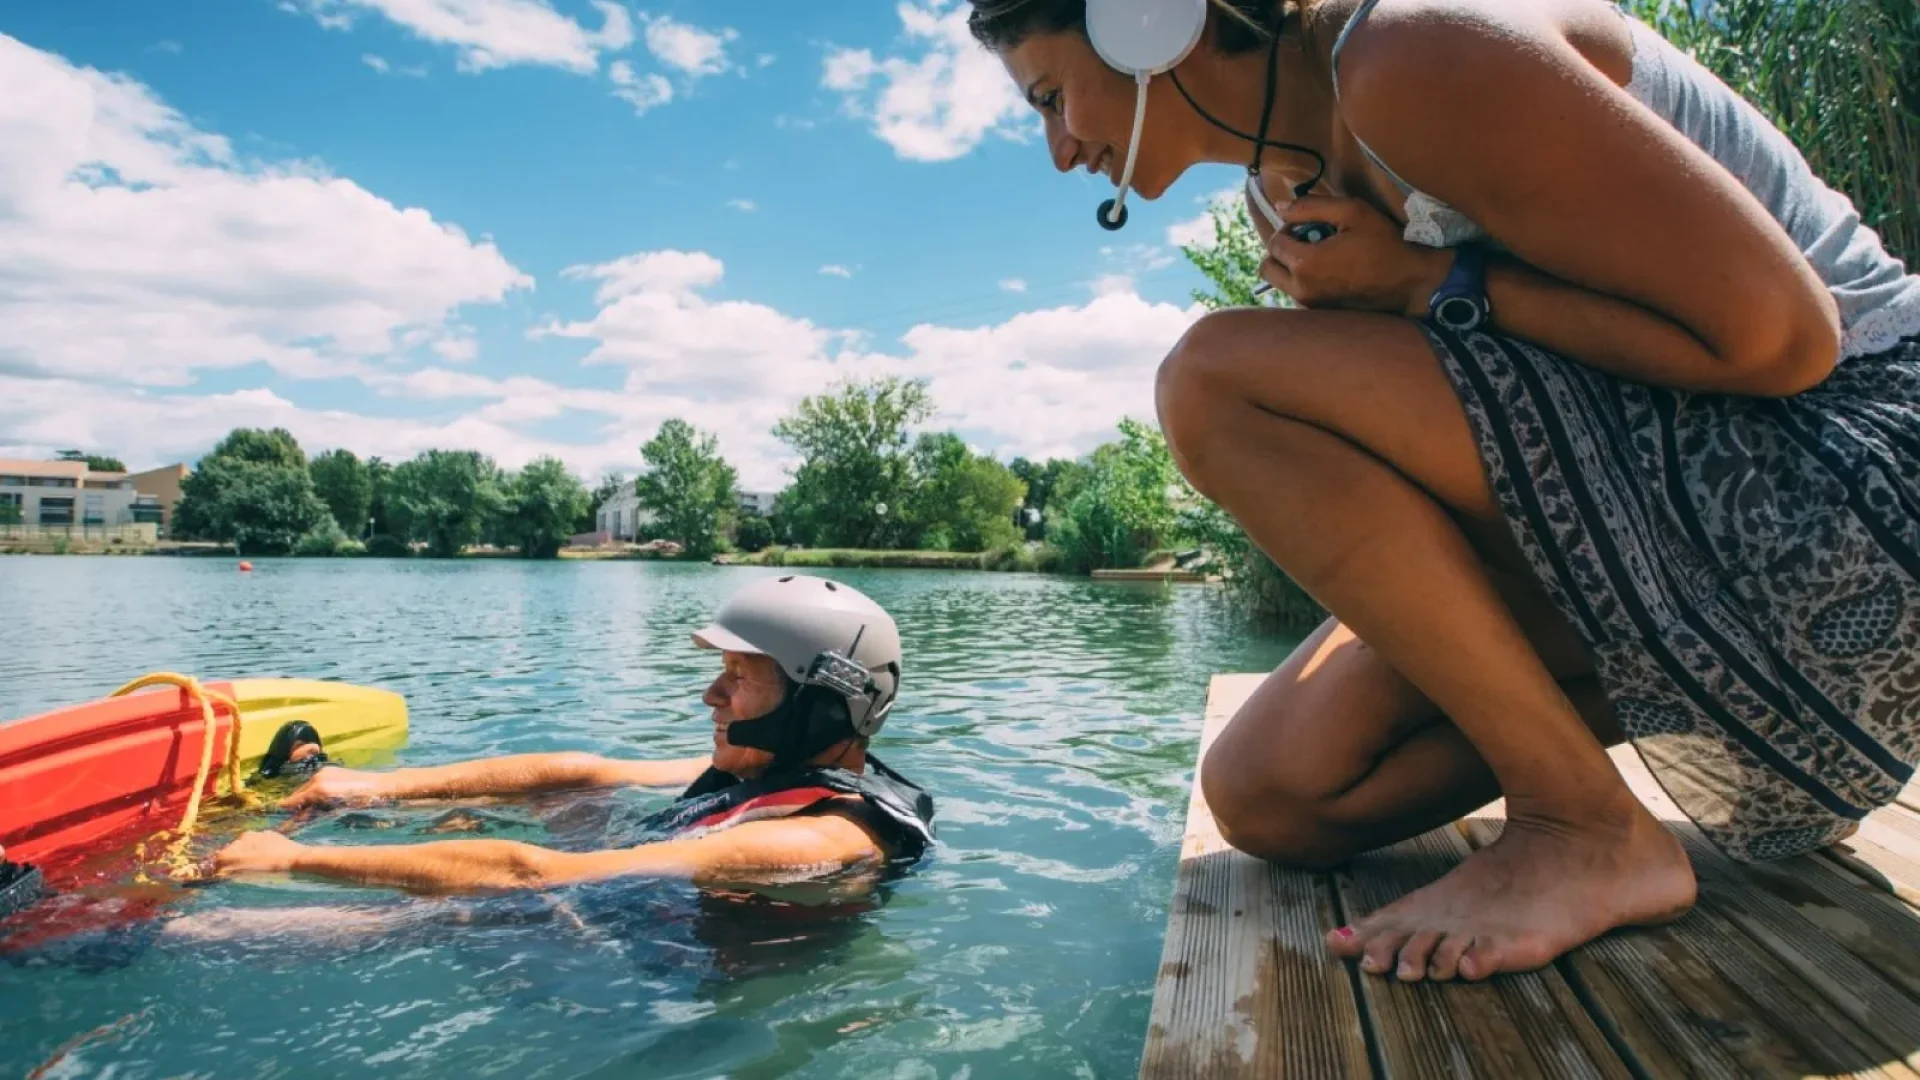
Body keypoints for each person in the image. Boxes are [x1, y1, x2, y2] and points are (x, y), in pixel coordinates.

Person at [969, 0, 1920, 983]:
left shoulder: (1410, 55)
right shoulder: (1287, 175)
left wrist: (1429, 286)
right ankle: (1761, 715)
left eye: (1051, 97)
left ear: (1149, 22)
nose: (1058, 148)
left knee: (1216, 379)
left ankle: (1581, 824)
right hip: (1715, 521)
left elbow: (1783, 341)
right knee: (1275, 793)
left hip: (1857, 489)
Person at [211, 574, 936, 895]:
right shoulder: (773, 772)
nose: (710, 694)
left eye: (740, 678)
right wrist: (378, 787)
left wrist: (295, 863)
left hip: (637, 987)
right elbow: (586, 772)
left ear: (817, 705)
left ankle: (162, 931)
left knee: (474, 904)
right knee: (575, 789)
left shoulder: (819, 840)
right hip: (630, 909)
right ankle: (341, 786)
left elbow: (534, 875)